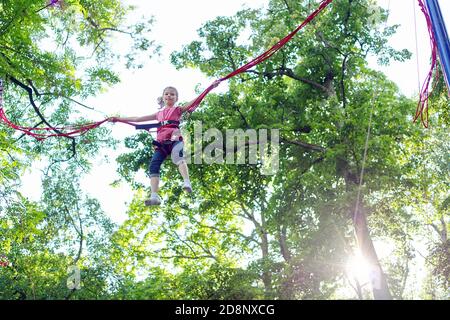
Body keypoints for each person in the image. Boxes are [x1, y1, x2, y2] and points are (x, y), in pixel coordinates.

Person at [109, 82, 220, 206]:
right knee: (153, 166)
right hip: (161, 143)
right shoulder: (158, 114)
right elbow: (137, 119)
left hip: (174, 138)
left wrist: (210, 87)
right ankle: (154, 197)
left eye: (172, 94)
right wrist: (118, 119)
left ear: (176, 98)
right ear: (163, 97)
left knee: (178, 158)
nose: (169, 96)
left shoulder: (178, 110)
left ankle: (187, 182)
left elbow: (195, 101)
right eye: (166, 94)